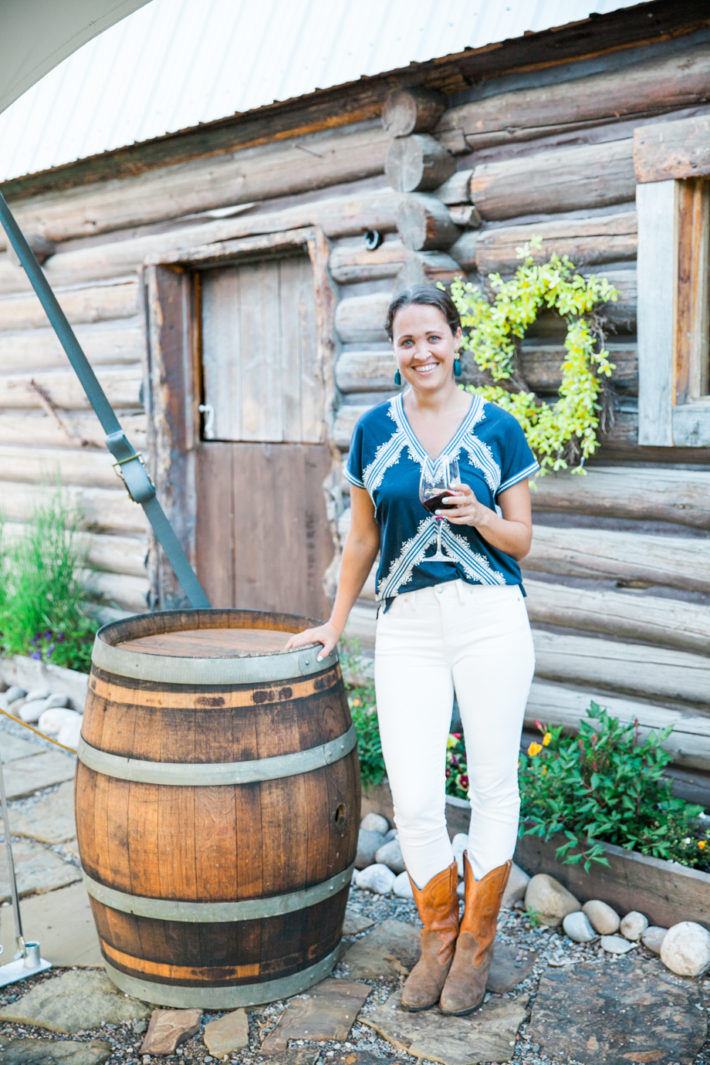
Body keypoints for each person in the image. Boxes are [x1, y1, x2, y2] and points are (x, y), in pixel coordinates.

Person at [287, 284, 538, 1015]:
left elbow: (523, 539)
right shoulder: (372, 430)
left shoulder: (500, 428)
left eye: (433, 336)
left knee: (493, 786)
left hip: (490, 616)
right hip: (407, 626)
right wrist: (334, 624)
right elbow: (363, 535)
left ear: (457, 340)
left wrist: (481, 514)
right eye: (407, 340)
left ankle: (475, 950)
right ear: (394, 351)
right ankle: (437, 940)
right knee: (416, 795)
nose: (421, 351)